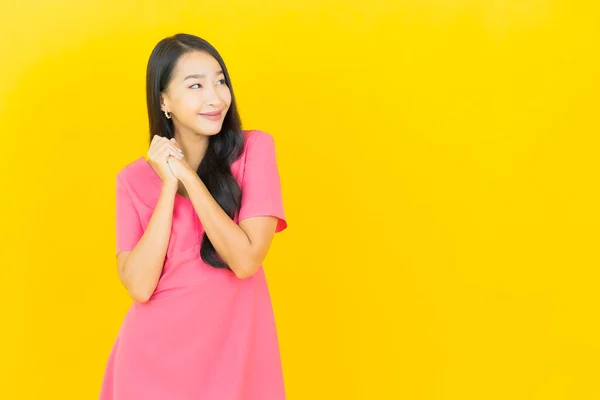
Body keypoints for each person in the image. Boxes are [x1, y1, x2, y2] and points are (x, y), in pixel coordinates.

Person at [99, 33, 288, 400]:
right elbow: (138, 286)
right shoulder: (132, 180)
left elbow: (246, 259)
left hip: (235, 360)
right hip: (149, 365)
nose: (214, 97)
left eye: (220, 81)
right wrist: (168, 185)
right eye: (196, 85)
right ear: (164, 100)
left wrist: (187, 175)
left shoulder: (254, 150)